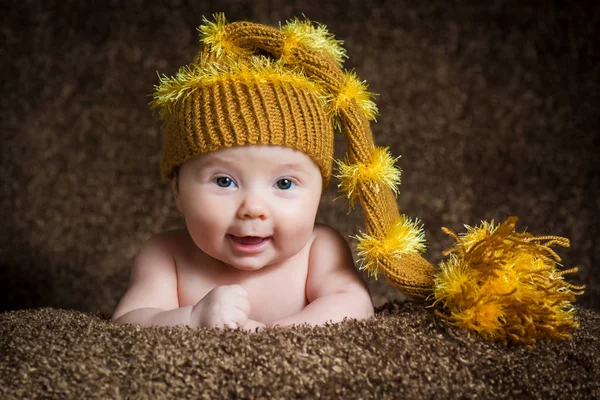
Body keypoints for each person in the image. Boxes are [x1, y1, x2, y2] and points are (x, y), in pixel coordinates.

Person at [112, 14, 435, 331]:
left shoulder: (318, 249)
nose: (253, 208)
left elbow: (353, 303)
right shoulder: (166, 255)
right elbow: (130, 321)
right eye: (224, 181)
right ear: (178, 191)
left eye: (284, 183)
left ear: (318, 193)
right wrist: (193, 318)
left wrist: (274, 335)